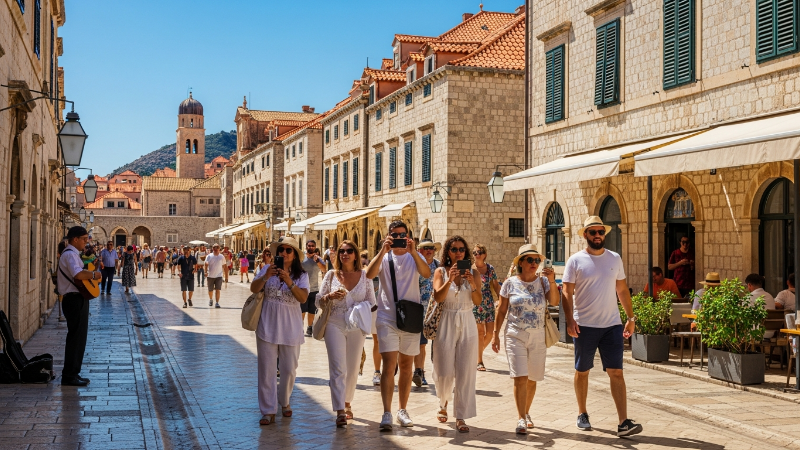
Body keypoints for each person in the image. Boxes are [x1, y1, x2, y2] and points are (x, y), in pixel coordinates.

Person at [563, 216, 643, 437]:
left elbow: (622, 290)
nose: (597, 235)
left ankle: (623, 422)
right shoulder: (575, 260)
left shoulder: (614, 258)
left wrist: (630, 317)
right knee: (582, 371)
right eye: (593, 232)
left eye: (600, 231)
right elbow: (566, 292)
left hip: (612, 325)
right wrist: (569, 319)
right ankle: (582, 413)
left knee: (617, 372)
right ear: (586, 235)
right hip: (584, 325)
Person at [365, 220, 431, 430]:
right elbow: (369, 274)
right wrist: (383, 250)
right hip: (387, 316)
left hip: (410, 317)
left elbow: (427, 274)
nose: (400, 238)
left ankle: (402, 410)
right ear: (389, 236)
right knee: (389, 365)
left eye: (403, 234)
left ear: (409, 235)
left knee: (406, 366)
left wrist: (413, 252)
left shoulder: (415, 256)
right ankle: (387, 412)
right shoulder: (385, 257)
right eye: (395, 234)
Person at [492, 245, 560, 434]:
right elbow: (502, 309)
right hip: (515, 334)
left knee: (532, 378)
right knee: (520, 377)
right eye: (529, 260)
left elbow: (554, 302)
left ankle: (526, 411)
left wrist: (552, 281)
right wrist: (495, 334)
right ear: (520, 262)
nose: (534, 263)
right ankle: (521, 418)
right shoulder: (510, 283)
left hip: (538, 335)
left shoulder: (544, 282)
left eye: (536, 260)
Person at [250, 237, 309, 426]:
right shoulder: (266, 269)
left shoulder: (301, 275)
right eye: (281, 250)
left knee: (289, 369)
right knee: (266, 370)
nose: (283, 253)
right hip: (267, 323)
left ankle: (284, 400)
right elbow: (253, 288)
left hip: (290, 326)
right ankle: (268, 410)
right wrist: (266, 276)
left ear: (294, 255)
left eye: (288, 250)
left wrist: (289, 281)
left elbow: (303, 298)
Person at [317, 240, 376, 427]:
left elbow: (373, 302)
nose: (345, 254)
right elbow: (318, 300)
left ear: (355, 254)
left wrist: (360, 308)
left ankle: (347, 401)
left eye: (350, 251)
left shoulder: (365, 276)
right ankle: (340, 410)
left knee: (352, 368)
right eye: (342, 251)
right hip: (334, 322)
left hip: (356, 325)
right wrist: (329, 297)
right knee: (337, 367)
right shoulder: (330, 274)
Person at [431, 236, 482, 432]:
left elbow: (477, 301)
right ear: (448, 252)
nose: (458, 252)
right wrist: (449, 279)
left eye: (461, 249)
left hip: (467, 320)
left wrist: (473, 284)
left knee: (466, 370)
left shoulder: (474, 273)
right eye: (454, 249)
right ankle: (442, 401)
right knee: (443, 369)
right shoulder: (440, 272)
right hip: (447, 319)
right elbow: (438, 297)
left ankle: (461, 416)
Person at [57, 227, 103, 386]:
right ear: (75, 239)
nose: (86, 241)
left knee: (79, 338)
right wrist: (94, 275)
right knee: (76, 338)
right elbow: (78, 274)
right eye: (84, 238)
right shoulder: (70, 254)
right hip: (74, 300)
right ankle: (69, 376)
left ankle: (73, 373)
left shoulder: (73, 254)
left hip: (77, 299)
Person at [413, 239, 440, 387]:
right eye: (426, 248)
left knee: (437, 344)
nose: (429, 250)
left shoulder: (438, 266)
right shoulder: (415, 265)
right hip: (419, 309)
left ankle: (437, 372)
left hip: (435, 311)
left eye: (431, 248)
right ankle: (420, 372)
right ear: (419, 250)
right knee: (421, 344)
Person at [472, 243, 500, 372]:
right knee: (480, 332)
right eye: (475, 252)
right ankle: (479, 361)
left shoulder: (490, 268)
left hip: (488, 302)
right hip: (475, 303)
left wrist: (501, 299)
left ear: (485, 254)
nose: (477, 254)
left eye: (479, 252)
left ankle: (474, 355)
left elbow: (495, 285)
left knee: (489, 333)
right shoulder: (470, 269)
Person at [302, 240, 327, 337]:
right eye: (309, 245)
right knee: (302, 310)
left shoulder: (318, 259)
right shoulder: (302, 258)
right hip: (303, 288)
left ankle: (309, 327)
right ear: (306, 246)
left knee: (312, 311)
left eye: (313, 246)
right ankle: (300, 328)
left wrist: (317, 261)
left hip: (314, 288)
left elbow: (324, 269)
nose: (311, 247)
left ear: (315, 247)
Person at [745, 273, 776, 339]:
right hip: (771, 332)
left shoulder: (749, 297)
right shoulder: (770, 296)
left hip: (756, 332)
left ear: (749, 285)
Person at [205, 244, 226, 309]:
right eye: (214, 247)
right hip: (210, 275)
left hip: (219, 276)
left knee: (218, 290)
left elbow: (224, 266)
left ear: (219, 248)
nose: (216, 249)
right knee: (210, 290)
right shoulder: (209, 256)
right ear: (212, 248)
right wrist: (205, 272)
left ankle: (217, 303)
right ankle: (211, 299)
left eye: (217, 247)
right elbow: (205, 264)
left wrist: (226, 276)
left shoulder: (221, 257)